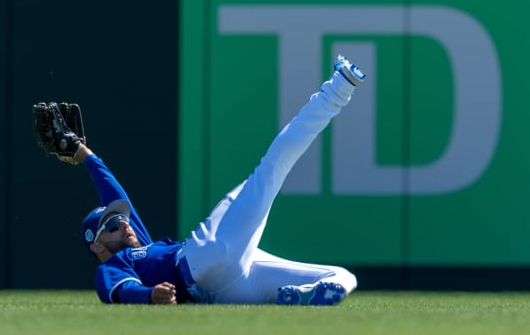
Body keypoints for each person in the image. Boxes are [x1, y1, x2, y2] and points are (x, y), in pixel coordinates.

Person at [74, 55, 365, 305]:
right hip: (203, 258)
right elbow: (119, 290)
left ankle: (299, 297)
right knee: (272, 168)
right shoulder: (114, 265)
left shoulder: (142, 245)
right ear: (97, 247)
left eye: (121, 219)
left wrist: (86, 156)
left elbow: (115, 195)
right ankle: (337, 91)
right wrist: (148, 295)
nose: (123, 223)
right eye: (111, 226)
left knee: (340, 277)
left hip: (231, 286)